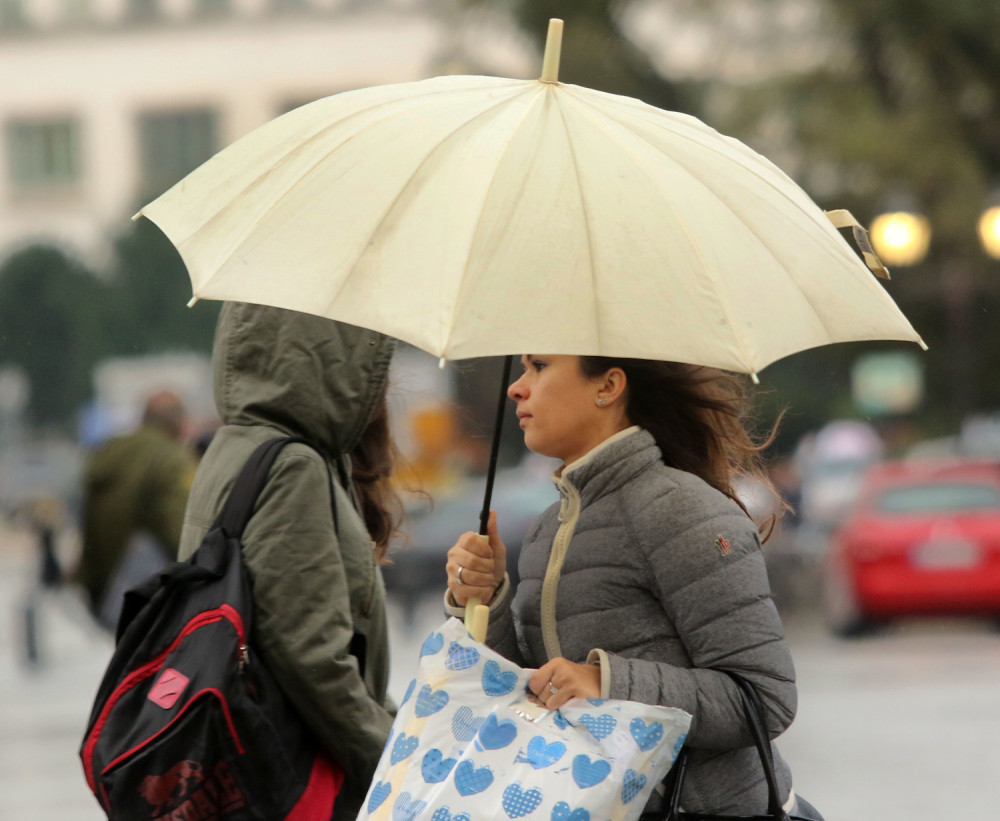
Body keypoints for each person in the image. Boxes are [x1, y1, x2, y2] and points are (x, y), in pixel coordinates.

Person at [445, 354, 823, 820]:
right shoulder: (546, 530)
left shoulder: (682, 509)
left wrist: (605, 681)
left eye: (539, 366)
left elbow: (763, 700)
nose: (517, 388)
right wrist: (485, 599)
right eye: (522, 368)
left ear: (607, 386)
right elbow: (530, 691)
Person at [176, 302, 400, 821]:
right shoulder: (293, 466)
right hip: (299, 779)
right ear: (332, 357)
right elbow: (311, 655)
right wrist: (394, 763)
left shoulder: (235, 445)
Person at [77, 389, 196, 629]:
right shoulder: (171, 460)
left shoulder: (110, 452)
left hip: (105, 590)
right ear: (179, 424)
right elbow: (181, 534)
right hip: (151, 597)